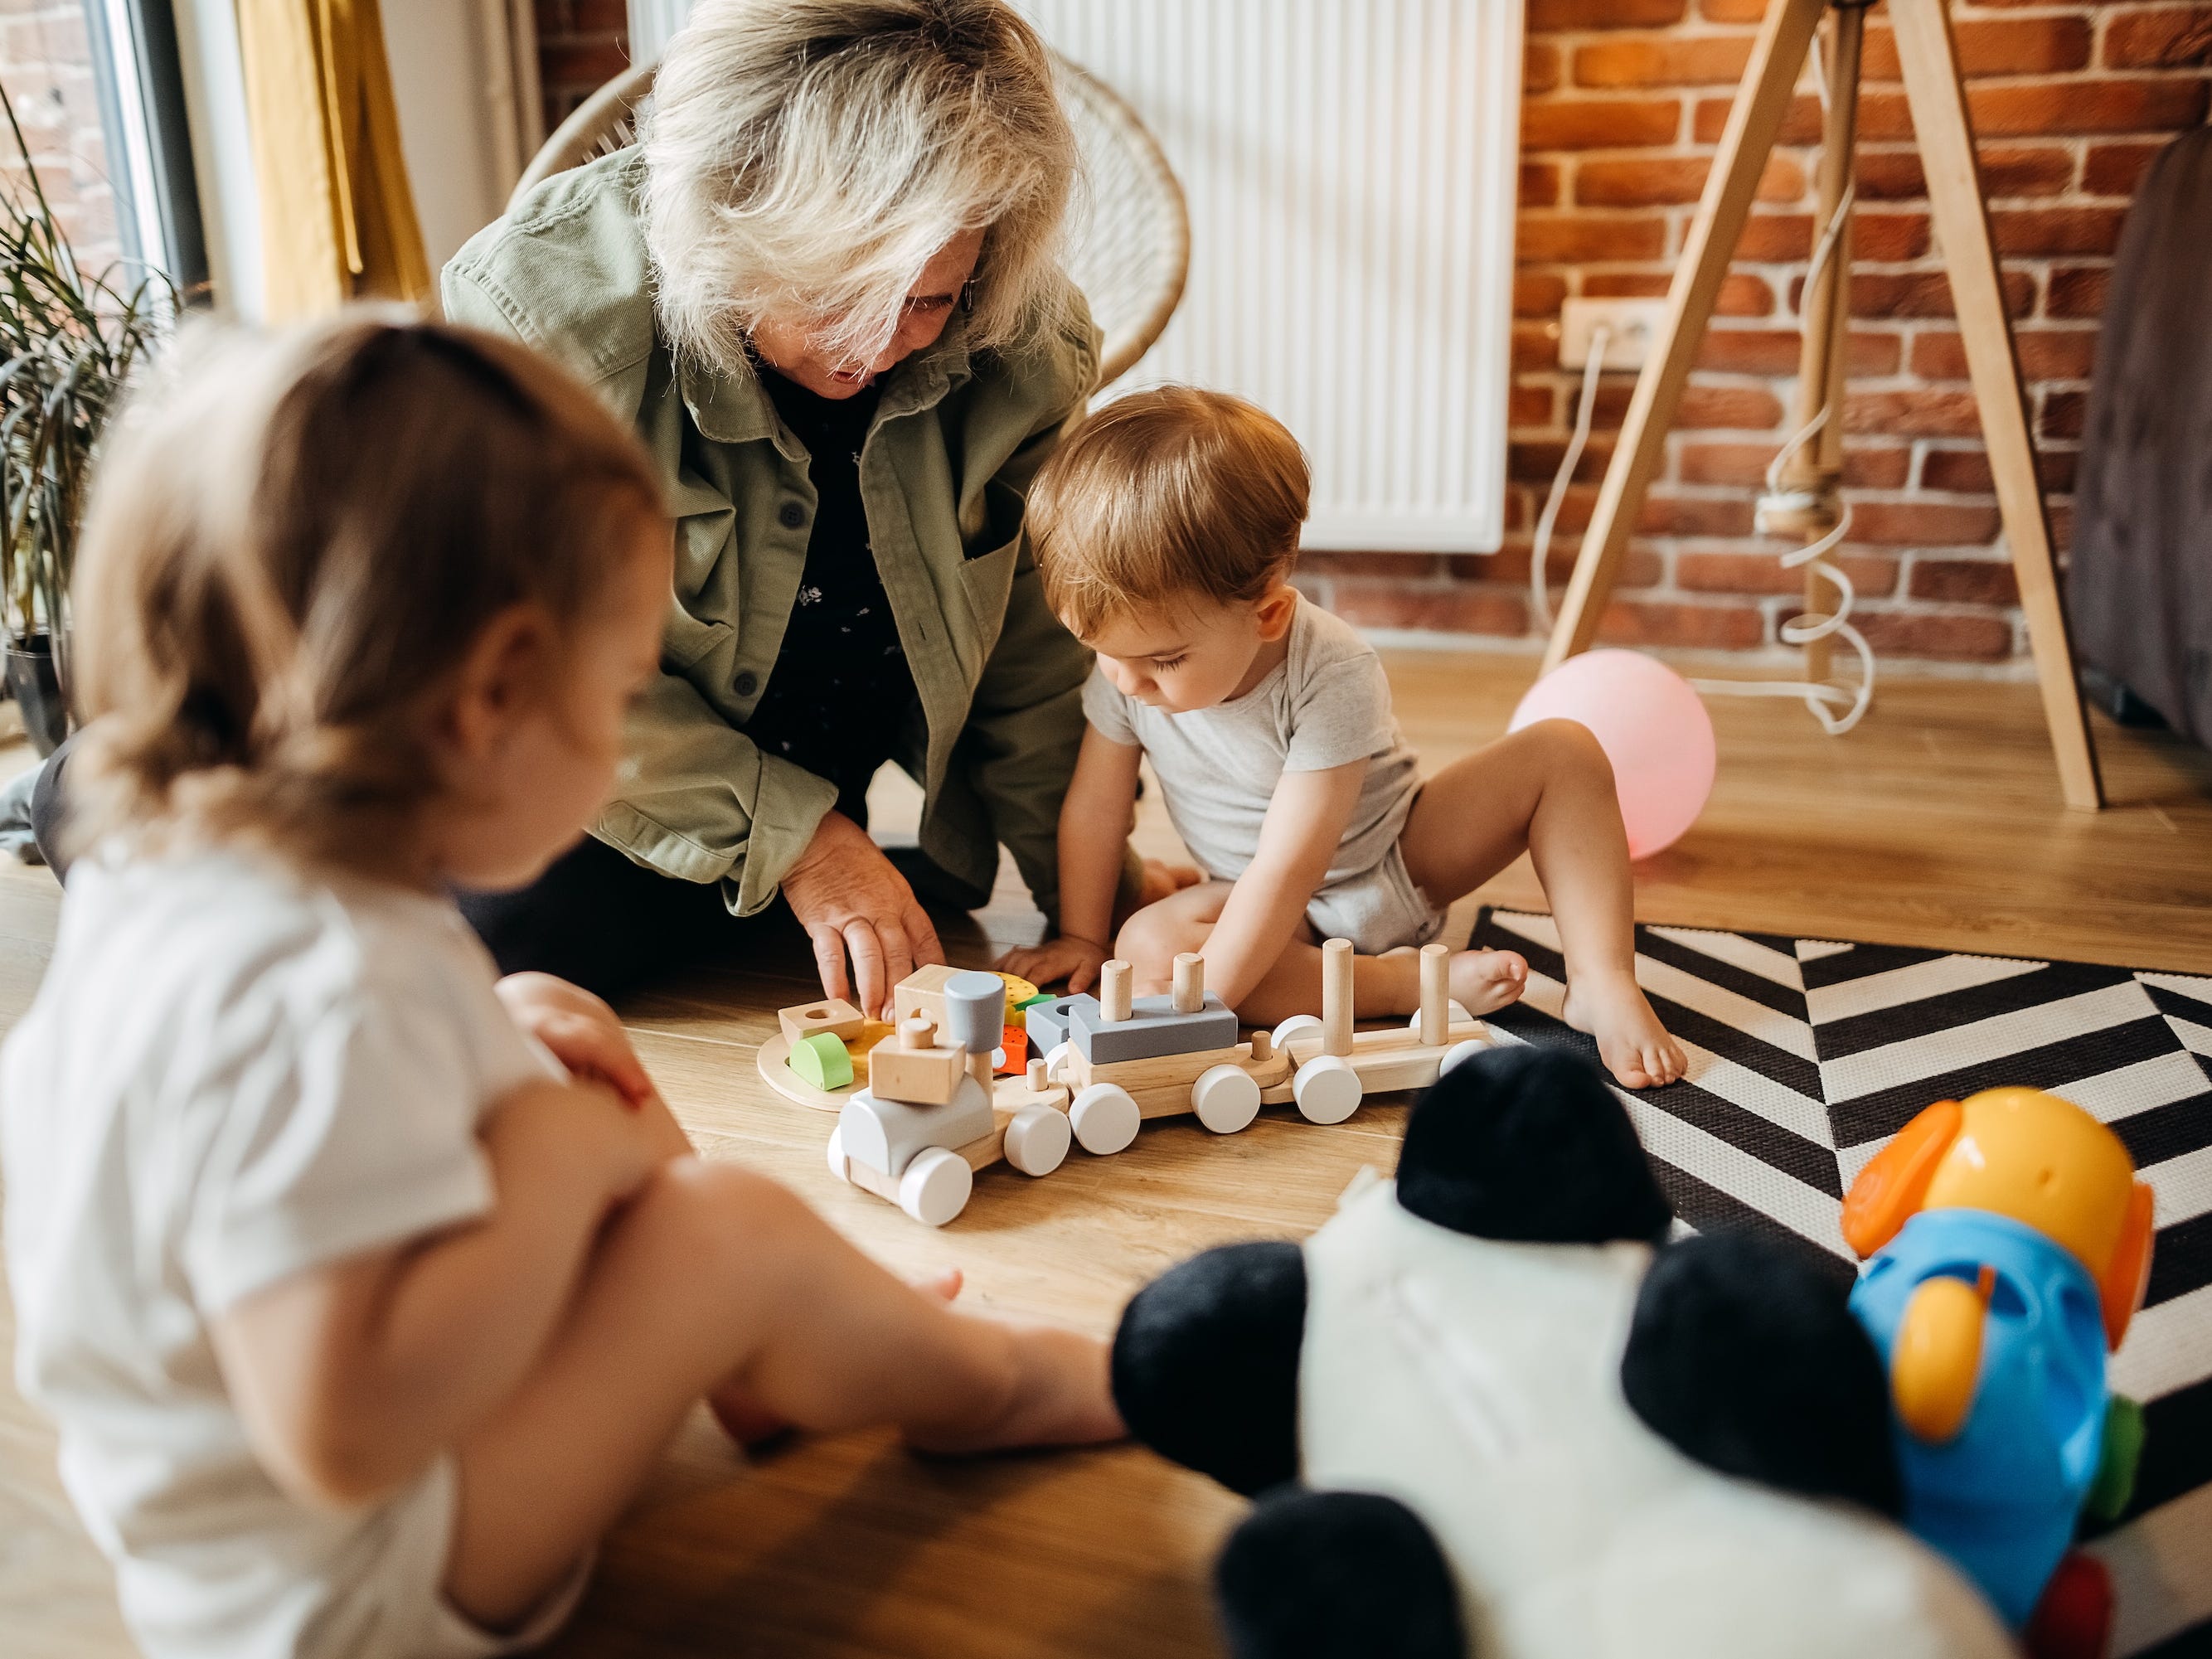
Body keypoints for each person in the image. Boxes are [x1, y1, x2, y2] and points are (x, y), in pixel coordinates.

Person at [0, 315, 1119, 1659]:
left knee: (550, 1011)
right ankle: (985, 1388)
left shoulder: (186, 875)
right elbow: (339, 1434)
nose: (621, 748)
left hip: (258, 1532)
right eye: (616, 697)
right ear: (484, 707)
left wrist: (511, 1076)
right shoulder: (330, 991)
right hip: (349, 1587)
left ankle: (757, 1360)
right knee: (718, 1228)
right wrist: (558, 1156)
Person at [434, 0, 1186, 1015]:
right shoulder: (543, 318)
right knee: (524, 945)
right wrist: (798, 840)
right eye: (839, 296)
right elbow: (528, 669)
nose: (877, 350)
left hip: (825, 729)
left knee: (917, 921)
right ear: (736, 223)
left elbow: (1033, 650)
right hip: (605, 752)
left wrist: (1094, 904)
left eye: (926, 301)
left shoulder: (1020, 339)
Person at [999, 388, 1688, 1091]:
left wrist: (1204, 1014)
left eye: (1164, 660)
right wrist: (1082, 938)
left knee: (1564, 749)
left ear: (1267, 612)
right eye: (1100, 650)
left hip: (1395, 858)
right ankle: (1394, 986)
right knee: (1146, 941)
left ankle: (1601, 978)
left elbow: (1289, 865)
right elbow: (1094, 811)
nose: (1127, 680)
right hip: (1264, 910)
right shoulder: (1125, 670)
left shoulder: (1333, 670)